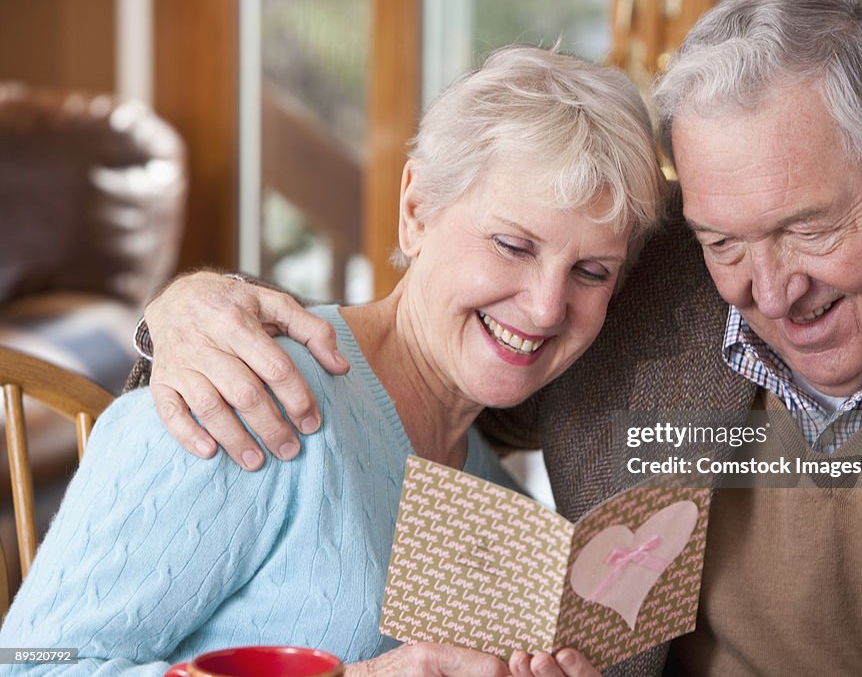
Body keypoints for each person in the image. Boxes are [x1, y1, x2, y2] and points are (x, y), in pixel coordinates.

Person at [121, 0, 862, 675]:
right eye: (725, 242)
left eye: (813, 228)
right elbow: (425, 350)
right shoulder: (629, 280)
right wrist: (198, 308)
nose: (776, 291)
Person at [0, 46, 667, 676]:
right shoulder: (243, 385)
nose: (548, 306)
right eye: (514, 245)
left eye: (590, 270)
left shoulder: (507, 513)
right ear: (416, 211)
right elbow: (29, 663)